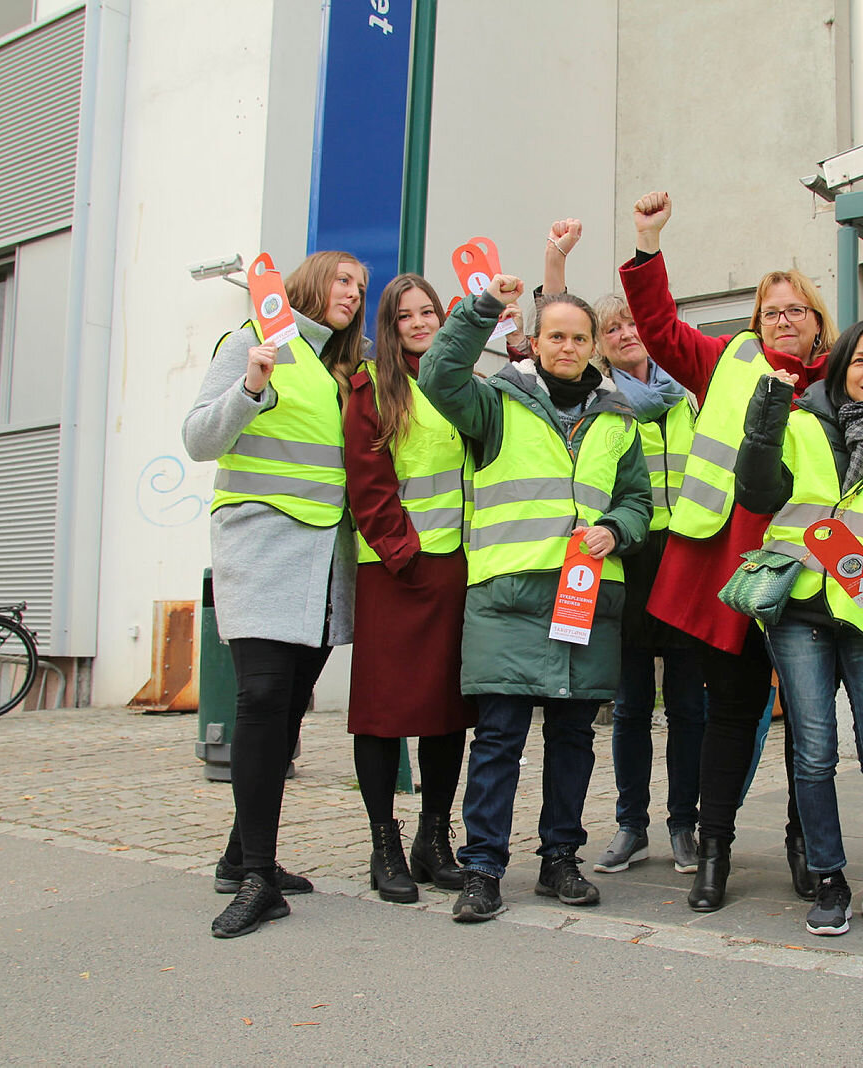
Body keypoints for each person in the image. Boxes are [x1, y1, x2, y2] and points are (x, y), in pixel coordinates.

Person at [620, 191, 831, 912]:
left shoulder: (841, 383)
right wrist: (648, 246)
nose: (782, 320)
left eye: (795, 309)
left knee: (810, 722)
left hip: (809, 581)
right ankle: (715, 852)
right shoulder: (726, 361)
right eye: (772, 310)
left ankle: (809, 847)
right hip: (728, 575)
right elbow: (656, 329)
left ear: (817, 322)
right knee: (732, 715)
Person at [418, 273, 652, 923]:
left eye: (581, 337)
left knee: (574, 738)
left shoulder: (617, 416)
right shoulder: (496, 402)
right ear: (537, 341)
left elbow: (638, 501)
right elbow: (439, 374)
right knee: (499, 737)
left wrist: (615, 529)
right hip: (510, 596)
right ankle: (484, 869)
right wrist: (483, 307)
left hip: (586, 599)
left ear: (594, 346)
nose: (569, 346)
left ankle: (559, 861)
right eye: (557, 335)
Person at [182, 250, 367, 938]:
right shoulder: (248, 345)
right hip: (262, 547)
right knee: (261, 698)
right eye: (342, 280)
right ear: (309, 284)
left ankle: (240, 858)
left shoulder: (341, 370)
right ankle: (259, 876)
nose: (351, 292)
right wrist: (251, 386)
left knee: (289, 705)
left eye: (360, 286)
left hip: (324, 559)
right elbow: (200, 438)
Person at [736, 320, 863, 936]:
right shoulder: (798, 423)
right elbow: (756, 494)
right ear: (841, 369)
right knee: (814, 753)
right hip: (800, 610)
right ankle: (827, 878)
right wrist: (762, 428)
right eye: (860, 362)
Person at [540, 217, 706, 876]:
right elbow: (551, 320)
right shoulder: (605, 401)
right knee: (633, 704)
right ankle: (631, 825)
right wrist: (555, 260)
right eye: (612, 329)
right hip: (629, 560)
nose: (624, 333)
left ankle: (685, 826)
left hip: (690, 558)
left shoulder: (694, 388)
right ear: (601, 346)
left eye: (632, 322)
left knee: (689, 704)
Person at [342, 273, 480, 903]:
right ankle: (384, 844)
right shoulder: (371, 389)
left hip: (457, 571)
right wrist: (407, 558)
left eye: (430, 312)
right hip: (396, 575)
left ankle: (433, 837)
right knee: (382, 717)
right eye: (406, 316)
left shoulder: (461, 383)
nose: (421, 323)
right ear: (389, 327)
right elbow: (368, 489)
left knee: (446, 715)